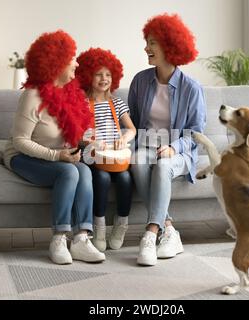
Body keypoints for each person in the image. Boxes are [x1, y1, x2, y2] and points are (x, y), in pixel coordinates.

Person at [3, 30, 105, 265]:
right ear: (56, 62)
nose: (77, 63)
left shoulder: (72, 93)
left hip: (58, 156)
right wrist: (56, 155)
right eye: (72, 58)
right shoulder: (33, 95)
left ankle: (81, 239)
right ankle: (59, 238)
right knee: (69, 171)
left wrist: (84, 142)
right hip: (22, 155)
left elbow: (70, 135)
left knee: (85, 170)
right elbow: (20, 141)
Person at [128, 13, 207, 266]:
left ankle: (151, 234)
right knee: (138, 159)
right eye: (147, 42)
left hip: (179, 152)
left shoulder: (191, 88)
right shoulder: (140, 81)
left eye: (153, 43)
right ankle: (170, 230)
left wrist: (174, 147)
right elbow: (132, 122)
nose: (146, 48)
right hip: (147, 147)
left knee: (162, 164)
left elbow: (195, 132)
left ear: (170, 47)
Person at [76, 48, 136, 252]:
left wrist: (123, 138)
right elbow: (75, 135)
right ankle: (99, 226)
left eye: (108, 74)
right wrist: (90, 142)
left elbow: (132, 129)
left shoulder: (117, 102)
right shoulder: (82, 103)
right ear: (88, 76)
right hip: (93, 157)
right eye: (98, 74)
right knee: (101, 178)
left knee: (126, 179)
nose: (104, 78)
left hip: (116, 158)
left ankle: (121, 224)